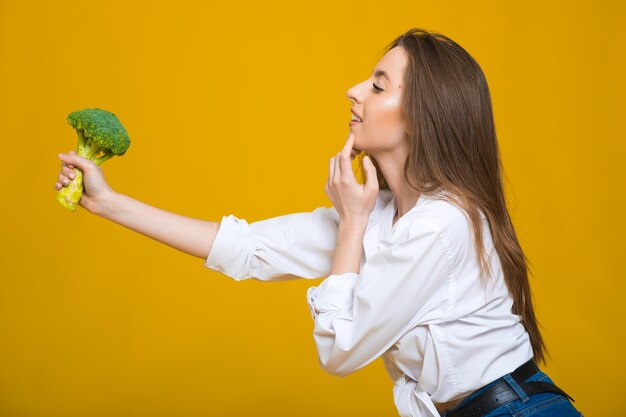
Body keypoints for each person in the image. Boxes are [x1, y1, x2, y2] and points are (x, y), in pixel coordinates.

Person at [54, 28, 583, 417]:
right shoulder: (378, 213)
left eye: (378, 86)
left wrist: (350, 227)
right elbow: (248, 247)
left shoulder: (440, 224)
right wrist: (110, 203)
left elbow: (340, 351)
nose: (354, 91)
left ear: (423, 114)